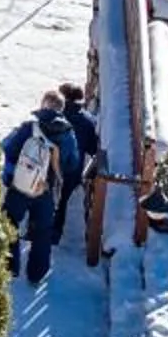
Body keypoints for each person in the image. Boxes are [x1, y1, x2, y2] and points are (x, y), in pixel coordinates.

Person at [0, 94, 82, 286]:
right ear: (60, 109)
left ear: (44, 106)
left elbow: (9, 150)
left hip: (20, 186)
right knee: (42, 232)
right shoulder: (69, 134)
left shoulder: (29, 127)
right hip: (46, 190)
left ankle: (9, 267)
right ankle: (37, 274)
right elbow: (72, 164)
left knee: (9, 221)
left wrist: (9, 176)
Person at [55, 80, 105, 247]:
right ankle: (56, 232)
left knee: (46, 198)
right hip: (73, 169)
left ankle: (39, 229)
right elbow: (92, 148)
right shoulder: (87, 121)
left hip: (52, 165)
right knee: (62, 201)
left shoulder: (56, 114)